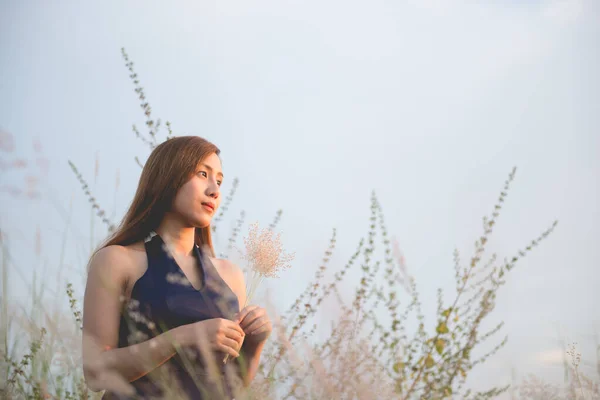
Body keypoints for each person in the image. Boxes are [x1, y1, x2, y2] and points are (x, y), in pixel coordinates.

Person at [82, 136, 272, 399]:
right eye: (202, 174)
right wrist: (181, 338)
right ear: (168, 178)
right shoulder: (116, 260)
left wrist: (255, 345)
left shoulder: (230, 275)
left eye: (219, 180)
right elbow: (95, 372)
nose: (214, 190)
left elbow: (230, 388)